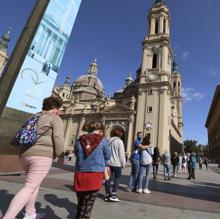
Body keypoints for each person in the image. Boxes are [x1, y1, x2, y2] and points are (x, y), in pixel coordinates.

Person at [3, 96, 65, 219]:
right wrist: (60, 154)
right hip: (42, 155)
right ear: (54, 108)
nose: (60, 112)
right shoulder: (54, 118)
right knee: (29, 187)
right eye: (59, 109)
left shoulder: (34, 116)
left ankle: (30, 213)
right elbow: (58, 138)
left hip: (25, 154)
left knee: (34, 185)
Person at [73, 120, 111, 218]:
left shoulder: (79, 141)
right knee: (87, 206)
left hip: (80, 173)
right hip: (95, 174)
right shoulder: (103, 141)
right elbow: (108, 156)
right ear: (98, 130)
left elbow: (77, 154)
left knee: (80, 204)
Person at [105, 127, 126, 202]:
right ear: (119, 134)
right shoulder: (119, 141)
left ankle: (107, 195)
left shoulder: (107, 141)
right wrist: (123, 163)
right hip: (116, 164)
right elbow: (121, 154)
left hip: (108, 164)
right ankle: (113, 194)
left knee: (108, 179)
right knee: (118, 178)